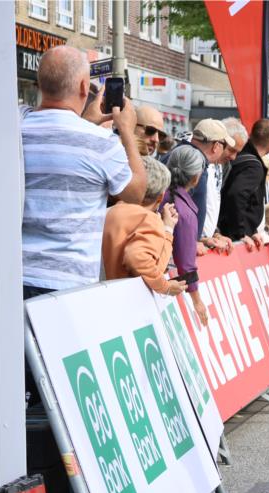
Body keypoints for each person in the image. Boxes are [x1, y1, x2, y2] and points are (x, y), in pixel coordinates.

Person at [21, 46, 146, 297]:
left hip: (15, 274)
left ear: (39, 83)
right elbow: (136, 192)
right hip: (69, 284)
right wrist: (128, 133)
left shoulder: (15, 127)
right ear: (82, 87)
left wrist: (85, 122)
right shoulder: (100, 142)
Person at [102, 156, 187, 295]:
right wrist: (165, 286)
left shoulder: (110, 211)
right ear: (160, 197)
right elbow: (137, 257)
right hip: (120, 299)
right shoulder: (148, 219)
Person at [165, 144, 212, 326]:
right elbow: (186, 264)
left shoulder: (160, 193)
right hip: (162, 281)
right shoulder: (184, 211)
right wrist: (197, 301)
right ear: (196, 177)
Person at [218, 118, 269, 245]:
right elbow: (236, 195)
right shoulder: (253, 167)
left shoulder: (240, 155)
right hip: (233, 238)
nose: (232, 155)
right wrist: (240, 233)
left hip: (224, 232)